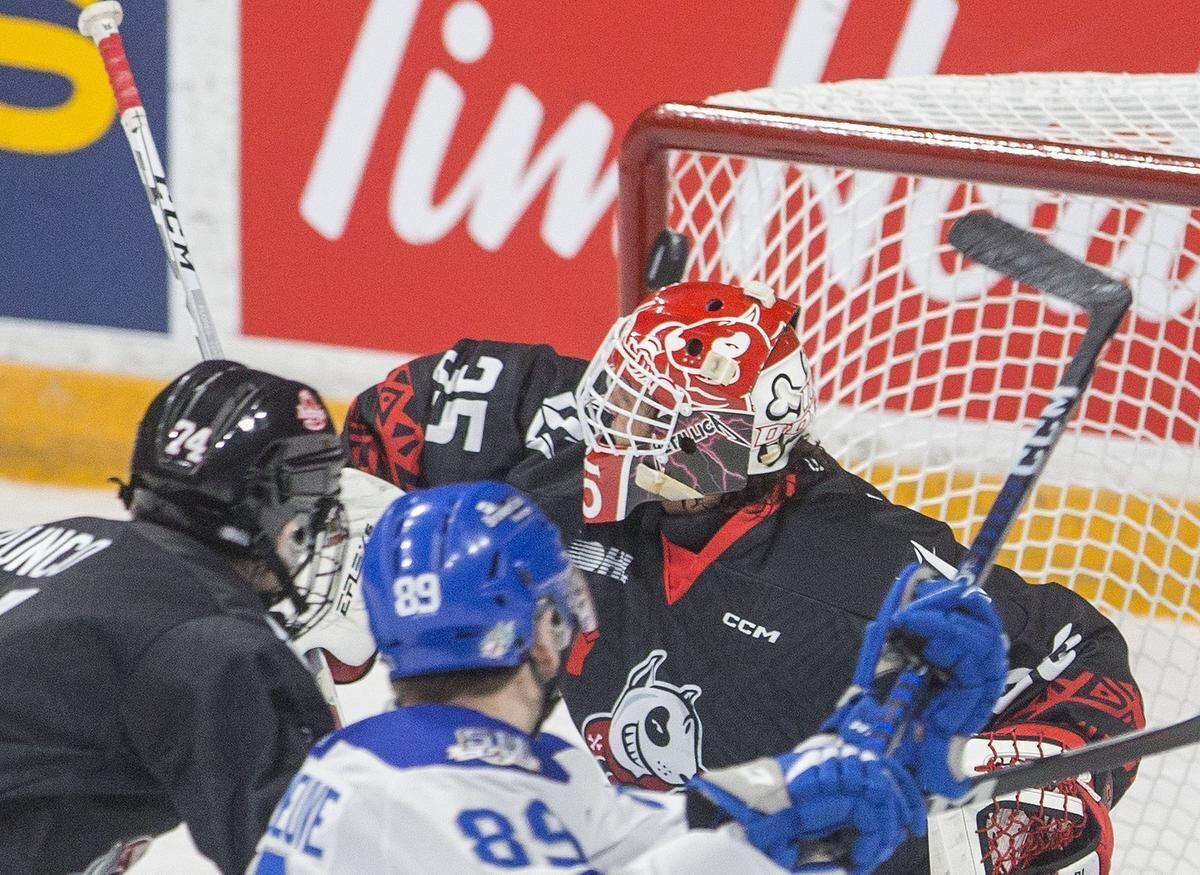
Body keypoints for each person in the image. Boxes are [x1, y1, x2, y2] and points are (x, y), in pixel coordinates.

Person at [343, 280, 1144, 873]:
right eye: (617, 402)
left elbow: (1080, 655)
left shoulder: (862, 567)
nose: (607, 431)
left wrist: (1033, 790)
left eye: (643, 420)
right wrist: (326, 533)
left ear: (719, 448)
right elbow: (411, 409)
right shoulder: (576, 466)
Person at [250, 480, 1009, 873]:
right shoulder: (424, 800)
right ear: (544, 629)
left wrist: (837, 767)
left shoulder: (391, 760)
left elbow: (649, 837)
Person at [0, 360, 348, 875]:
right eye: (313, 491)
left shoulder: (53, 536)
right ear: (273, 508)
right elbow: (297, 860)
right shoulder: (213, 641)